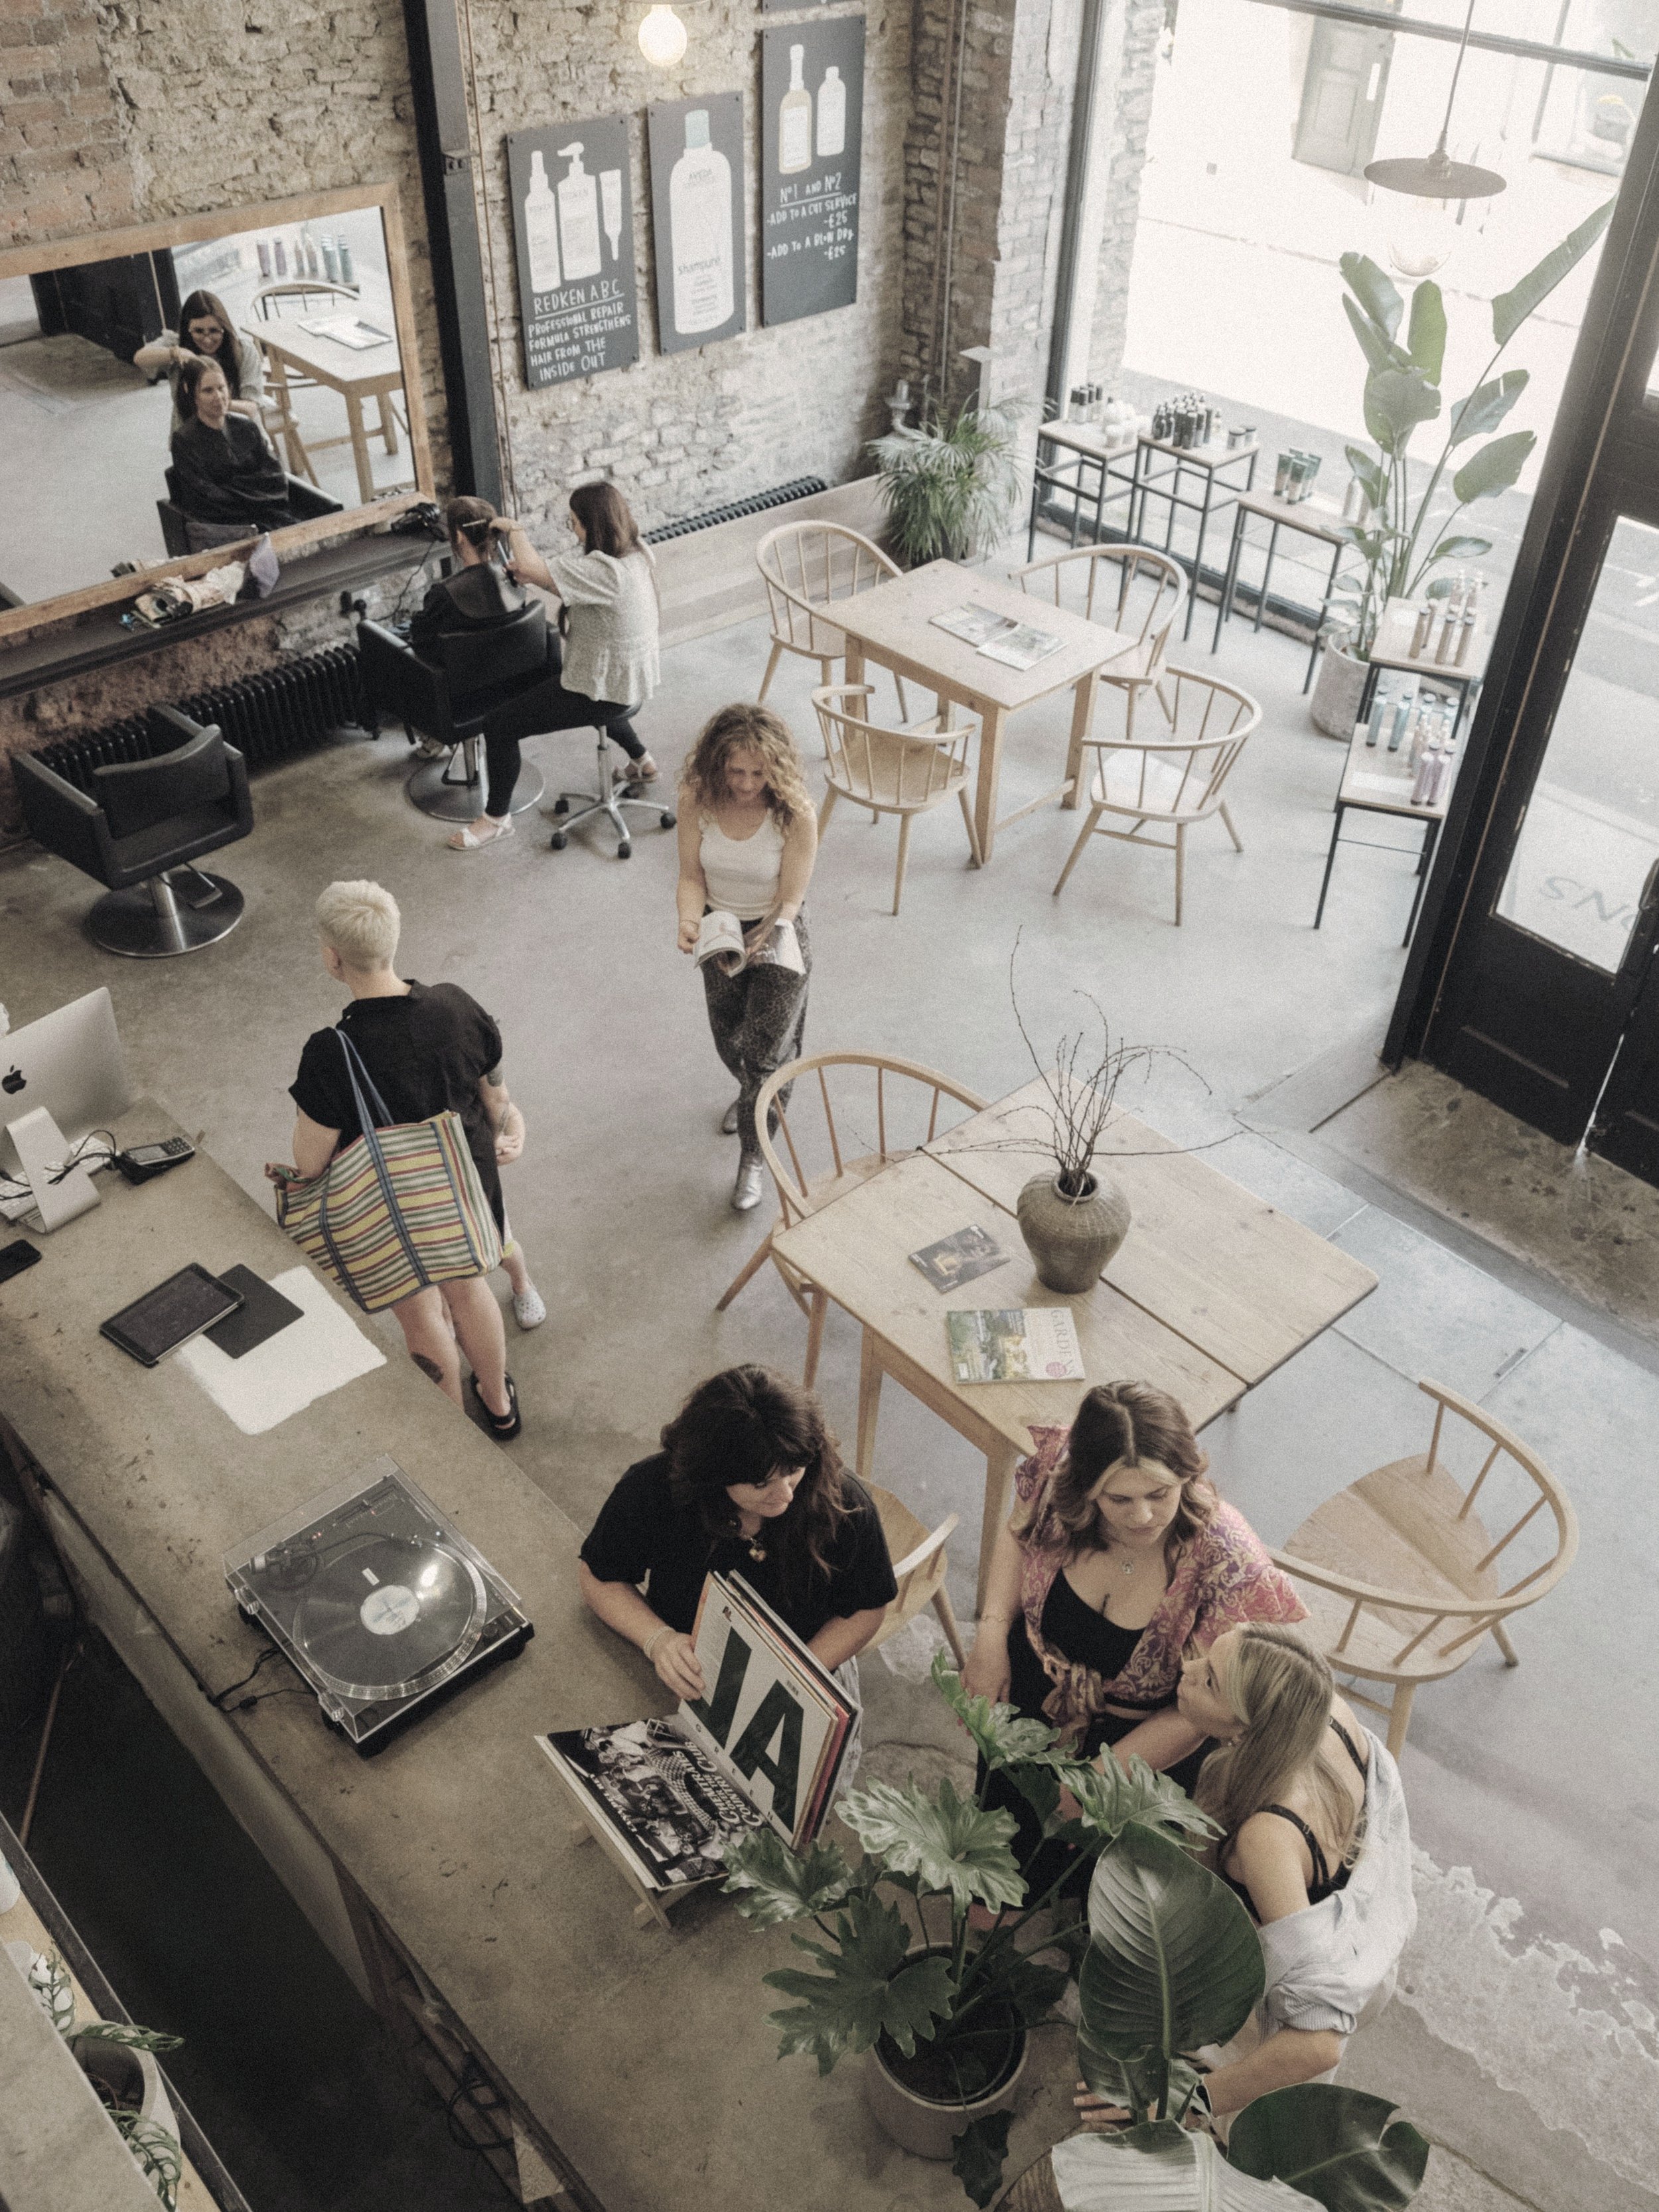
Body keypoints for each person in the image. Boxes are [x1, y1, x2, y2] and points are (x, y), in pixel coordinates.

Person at [960, 1382, 1305, 1894]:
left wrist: (1102, 1776)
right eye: (1119, 1498)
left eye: (1160, 1494)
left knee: (1100, 1890)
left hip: (1141, 1743)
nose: (1142, 1516)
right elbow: (1020, 1530)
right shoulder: (1060, 1471)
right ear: (1086, 1488)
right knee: (999, 1860)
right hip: (1033, 1698)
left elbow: (1206, 1703)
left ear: (1188, 1476)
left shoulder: (1227, 1562)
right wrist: (990, 1635)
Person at [1076, 1621, 1414, 2130]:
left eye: (1209, 1680)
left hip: (1276, 2006)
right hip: (1346, 1945)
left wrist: (1190, 2099)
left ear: (1246, 1730)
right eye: (1207, 1659)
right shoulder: (1323, 1709)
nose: (1186, 1670)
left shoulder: (1267, 1839)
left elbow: (1317, 2043)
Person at [268, 879, 532, 1438]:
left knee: (420, 1312)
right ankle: (498, 1402)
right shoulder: (457, 1006)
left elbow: (311, 1162)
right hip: (467, 1191)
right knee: (471, 1288)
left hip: (395, 1211)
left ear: (332, 957)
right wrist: (510, 1129)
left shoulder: (331, 1052)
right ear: (392, 939)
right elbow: (498, 1098)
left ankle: (453, 1430)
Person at [579, 1366, 897, 1712]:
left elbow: (867, 1607)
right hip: (684, 1661)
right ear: (712, 1474)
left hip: (808, 1660)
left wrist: (798, 1674)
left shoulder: (843, 1503)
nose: (786, 1496)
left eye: (793, 1472)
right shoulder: (655, 1487)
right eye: (761, 1484)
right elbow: (600, 1575)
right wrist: (658, 1640)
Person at [442, 481, 661, 851]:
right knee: (557, 674)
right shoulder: (637, 554)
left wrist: (513, 529)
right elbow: (553, 574)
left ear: (593, 524)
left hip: (603, 692)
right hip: (631, 680)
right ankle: (641, 760)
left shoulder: (604, 573)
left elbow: (538, 567)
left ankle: (496, 820)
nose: (572, 529)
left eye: (573, 522)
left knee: (500, 723)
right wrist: (536, 574)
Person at [675, 703, 818, 1212]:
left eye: (759, 772)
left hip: (776, 930)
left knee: (765, 1055)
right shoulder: (698, 800)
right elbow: (692, 876)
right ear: (718, 763)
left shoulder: (794, 811)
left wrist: (769, 932)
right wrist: (690, 923)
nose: (746, 783)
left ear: (776, 768)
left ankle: (754, 1156)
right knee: (728, 1039)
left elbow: (792, 896)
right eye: (736, 770)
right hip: (721, 928)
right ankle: (751, 1097)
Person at [168, 356, 295, 550]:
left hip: (271, 513)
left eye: (222, 388)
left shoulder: (247, 426)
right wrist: (254, 488)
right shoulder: (185, 440)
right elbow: (206, 498)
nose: (218, 397)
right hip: (229, 528)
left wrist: (235, 488)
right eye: (208, 391)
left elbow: (275, 477)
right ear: (191, 393)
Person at [135, 288, 266, 431]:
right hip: (192, 435)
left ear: (225, 328)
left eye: (214, 331)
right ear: (187, 329)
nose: (207, 339)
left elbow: (251, 407)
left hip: (240, 432)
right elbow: (139, 358)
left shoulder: (244, 351)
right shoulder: (176, 344)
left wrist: (216, 403)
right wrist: (174, 353)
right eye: (198, 331)